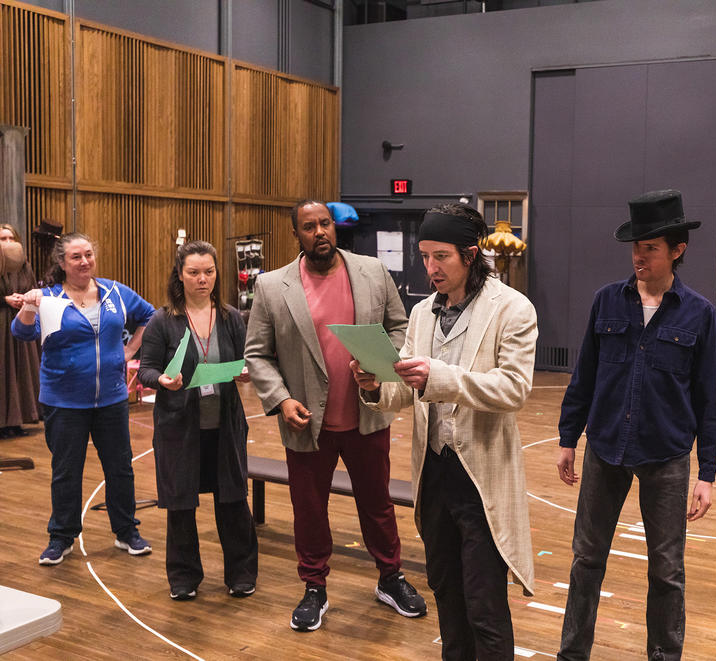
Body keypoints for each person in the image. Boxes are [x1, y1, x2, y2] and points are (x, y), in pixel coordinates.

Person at [352, 202, 538, 661]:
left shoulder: (513, 309)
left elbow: (513, 389)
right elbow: (405, 393)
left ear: (471, 255)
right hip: (433, 478)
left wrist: (437, 377)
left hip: (481, 481)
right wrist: (376, 384)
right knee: (446, 594)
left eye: (442, 257)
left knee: (484, 605)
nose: (430, 268)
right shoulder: (422, 314)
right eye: (425, 256)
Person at [245, 200, 426, 631]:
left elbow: (400, 327)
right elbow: (257, 354)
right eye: (309, 227)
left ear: (335, 227)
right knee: (309, 510)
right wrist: (282, 399)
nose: (320, 232)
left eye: (325, 223)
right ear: (298, 235)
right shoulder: (272, 286)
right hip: (307, 422)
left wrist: (383, 368)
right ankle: (313, 587)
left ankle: (390, 576)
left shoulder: (372, 272)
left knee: (378, 505)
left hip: (367, 416)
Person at [556, 190, 716, 661]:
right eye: (635, 246)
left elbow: (709, 399)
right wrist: (569, 438)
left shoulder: (700, 314)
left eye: (650, 247)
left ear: (677, 250)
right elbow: (584, 375)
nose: (639, 256)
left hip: (666, 456)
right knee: (586, 561)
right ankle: (572, 654)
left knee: (667, 571)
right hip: (604, 448)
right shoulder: (606, 301)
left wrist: (706, 473)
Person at [12, 232, 155, 565]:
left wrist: (130, 349)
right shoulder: (48, 298)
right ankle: (61, 537)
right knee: (66, 471)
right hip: (63, 401)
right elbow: (21, 333)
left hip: (111, 398)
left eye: (89, 254)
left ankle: (126, 532)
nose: (85, 262)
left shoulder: (115, 292)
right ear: (62, 263)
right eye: (76, 257)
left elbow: (150, 316)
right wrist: (31, 306)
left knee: (120, 468)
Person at [137, 240, 258, 601]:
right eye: (194, 272)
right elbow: (146, 369)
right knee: (181, 504)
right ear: (180, 275)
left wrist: (245, 373)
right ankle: (184, 577)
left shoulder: (231, 316)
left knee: (233, 501)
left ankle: (241, 574)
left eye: (208, 272)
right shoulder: (162, 320)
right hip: (179, 427)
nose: (202, 279)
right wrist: (161, 380)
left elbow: (246, 361)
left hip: (225, 425)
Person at [0, 224, 40, 438]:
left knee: (21, 371)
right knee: (3, 371)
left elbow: (32, 288)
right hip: (1, 325)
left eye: (10, 238)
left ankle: (17, 420)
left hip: (21, 322)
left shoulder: (25, 266)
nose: (7, 243)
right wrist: (4, 299)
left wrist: (25, 301)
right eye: (2, 238)